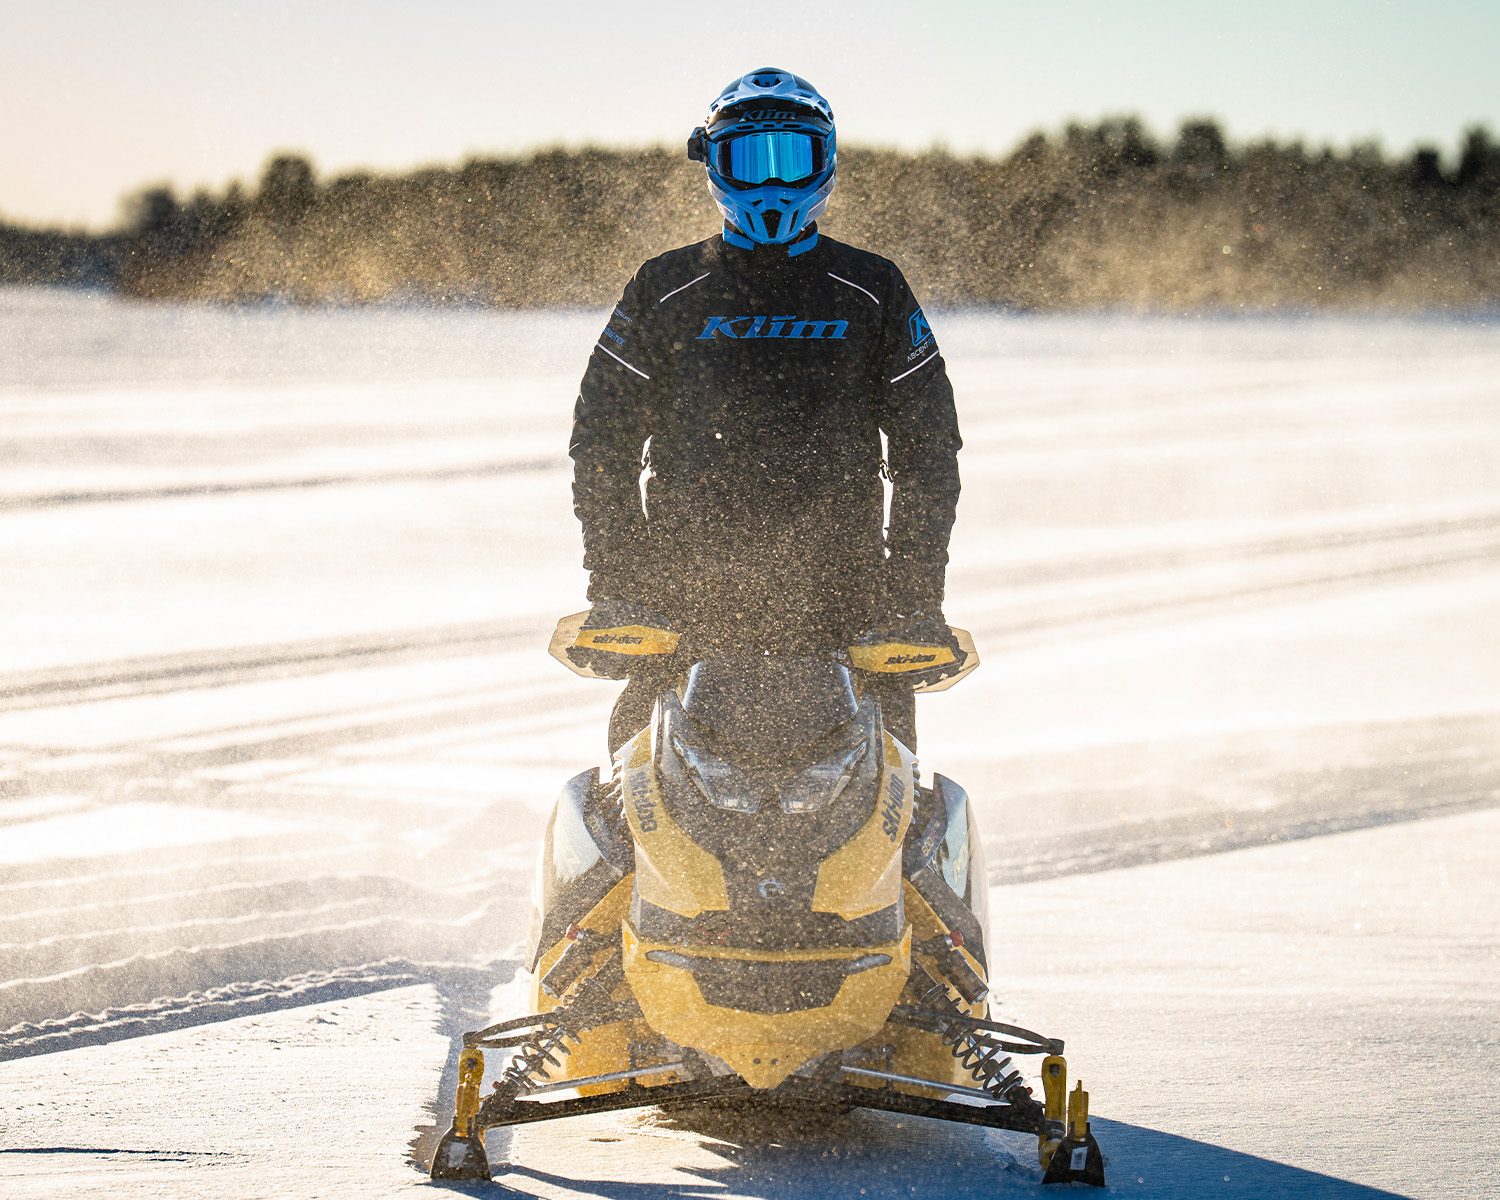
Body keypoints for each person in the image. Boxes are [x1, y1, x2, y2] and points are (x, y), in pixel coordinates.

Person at [566, 67, 963, 755]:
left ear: (825, 162)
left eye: (792, 157)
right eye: (749, 160)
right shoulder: (664, 287)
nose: (772, 183)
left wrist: (914, 596)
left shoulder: (872, 287)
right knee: (637, 777)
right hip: (685, 601)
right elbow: (603, 439)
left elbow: (928, 448)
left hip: (845, 603)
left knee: (880, 782)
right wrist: (621, 584)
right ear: (713, 164)